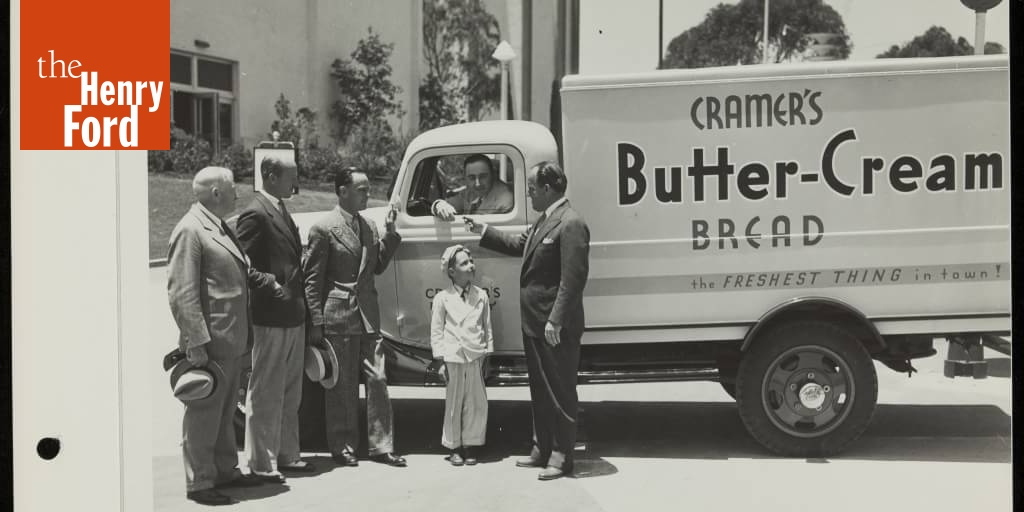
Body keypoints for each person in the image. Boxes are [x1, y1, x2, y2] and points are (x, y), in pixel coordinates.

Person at [464, 161, 590, 481]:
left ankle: (561, 457)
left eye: (532, 189)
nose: (529, 194)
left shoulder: (571, 223)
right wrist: (484, 231)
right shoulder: (545, 219)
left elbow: (572, 280)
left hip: (553, 326)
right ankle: (542, 448)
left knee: (560, 392)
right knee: (540, 390)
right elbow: (522, 245)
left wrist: (556, 320)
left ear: (548, 189)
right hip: (535, 322)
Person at [167, 167, 281, 505]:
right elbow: (181, 293)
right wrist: (196, 342)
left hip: (230, 339)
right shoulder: (190, 230)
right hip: (211, 342)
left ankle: (225, 470)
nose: (237, 194)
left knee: (224, 410)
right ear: (215, 192)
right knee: (204, 413)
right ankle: (200, 482)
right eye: (232, 188)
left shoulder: (218, 226)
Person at [303, 167, 408, 468]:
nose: (367, 194)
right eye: (361, 189)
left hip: (367, 314)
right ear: (342, 191)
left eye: (367, 188)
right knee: (342, 384)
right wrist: (316, 322)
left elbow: (375, 268)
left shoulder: (370, 226)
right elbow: (312, 280)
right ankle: (343, 445)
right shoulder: (323, 229)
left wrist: (391, 233)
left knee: (378, 378)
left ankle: (381, 445)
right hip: (337, 315)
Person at [235, 155, 314, 482]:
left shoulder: (280, 208)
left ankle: (287, 454)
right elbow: (241, 263)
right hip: (271, 315)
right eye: (289, 177)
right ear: (269, 175)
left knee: (290, 392)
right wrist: (271, 283)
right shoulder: (255, 213)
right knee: (266, 391)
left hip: (292, 314)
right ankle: (261, 463)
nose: (294, 184)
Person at [429, 245, 494, 466]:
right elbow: (437, 331)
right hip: (453, 357)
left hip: (475, 355)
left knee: (476, 403)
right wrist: (439, 361)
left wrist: (488, 355)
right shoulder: (442, 299)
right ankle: (454, 446)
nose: (471, 266)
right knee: (454, 402)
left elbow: (487, 327)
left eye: (471, 261)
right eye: (464, 263)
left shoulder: (481, 296)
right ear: (451, 271)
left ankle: (471, 444)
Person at [431, 154, 514, 221]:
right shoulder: (469, 192)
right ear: (465, 178)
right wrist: (438, 205)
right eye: (472, 178)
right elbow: (448, 204)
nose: (477, 184)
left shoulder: (505, 200)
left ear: (492, 174)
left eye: (483, 177)